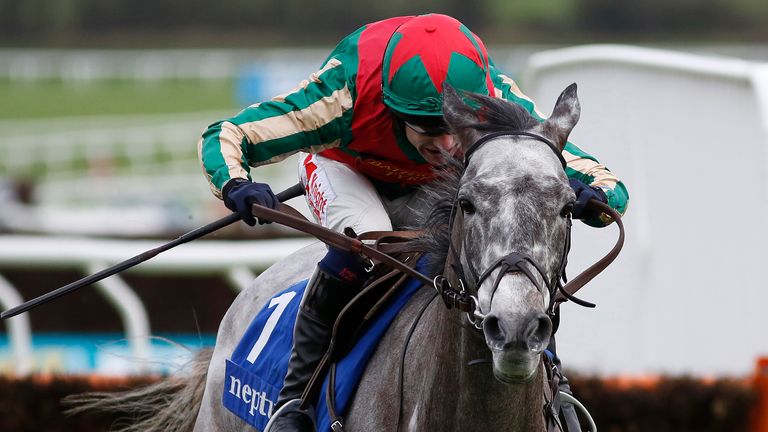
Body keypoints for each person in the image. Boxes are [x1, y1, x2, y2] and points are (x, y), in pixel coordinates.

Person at [199, 13, 628, 432]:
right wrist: (236, 184)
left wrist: (593, 194)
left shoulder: (494, 97)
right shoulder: (341, 94)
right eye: (426, 128)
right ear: (389, 106)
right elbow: (227, 135)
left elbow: (604, 180)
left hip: (444, 185)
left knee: (501, 241)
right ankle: (295, 401)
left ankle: (553, 383)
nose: (444, 144)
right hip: (347, 172)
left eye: (454, 128)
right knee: (372, 249)